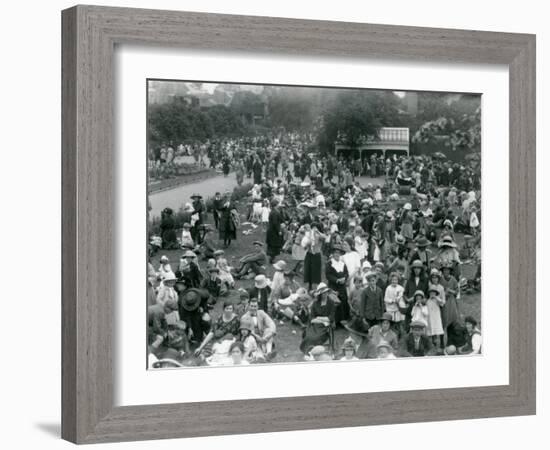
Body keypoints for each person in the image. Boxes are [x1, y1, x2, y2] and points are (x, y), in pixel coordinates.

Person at [300, 283, 337, 354]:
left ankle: (313, 351)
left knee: (316, 337)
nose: (325, 294)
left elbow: (331, 318)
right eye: (323, 293)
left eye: (326, 292)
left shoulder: (331, 303)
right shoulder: (315, 303)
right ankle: (309, 351)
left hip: (324, 326)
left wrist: (319, 318)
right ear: (320, 294)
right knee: (308, 336)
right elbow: (311, 318)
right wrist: (318, 319)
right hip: (315, 324)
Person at [325, 245, 350, 325]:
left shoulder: (343, 264)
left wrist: (344, 279)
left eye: (338, 253)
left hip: (342, 287)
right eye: (335, 252)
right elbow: (328, 275)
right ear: (333, 253)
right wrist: (337, 280)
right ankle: (334, 321)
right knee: (334, 302)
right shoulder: (329, 263)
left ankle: (342, 320)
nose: (337, 254)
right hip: (333, 286)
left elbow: (347, 273)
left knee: (343, 301)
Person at [426, 284, 445, 349]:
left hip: (436, 317)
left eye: (434, 292)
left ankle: (437, 342)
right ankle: (431, 343)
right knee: (431, 329)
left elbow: (442, 303)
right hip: (430, 317)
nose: (432, 294)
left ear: (436, 293)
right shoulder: (427, 301)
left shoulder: (437, 300)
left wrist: (436, 297)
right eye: (431, 292)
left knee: (437, 329)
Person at [266, 198, 284, 263]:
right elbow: (275, 223)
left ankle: (272, 258)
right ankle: (271, 258)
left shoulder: (274, 211)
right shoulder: (275, 212)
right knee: (274, 245)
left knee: (273, 245)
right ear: (276, 204)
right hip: (273, 231)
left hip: (271, 230)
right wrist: (279, 230)